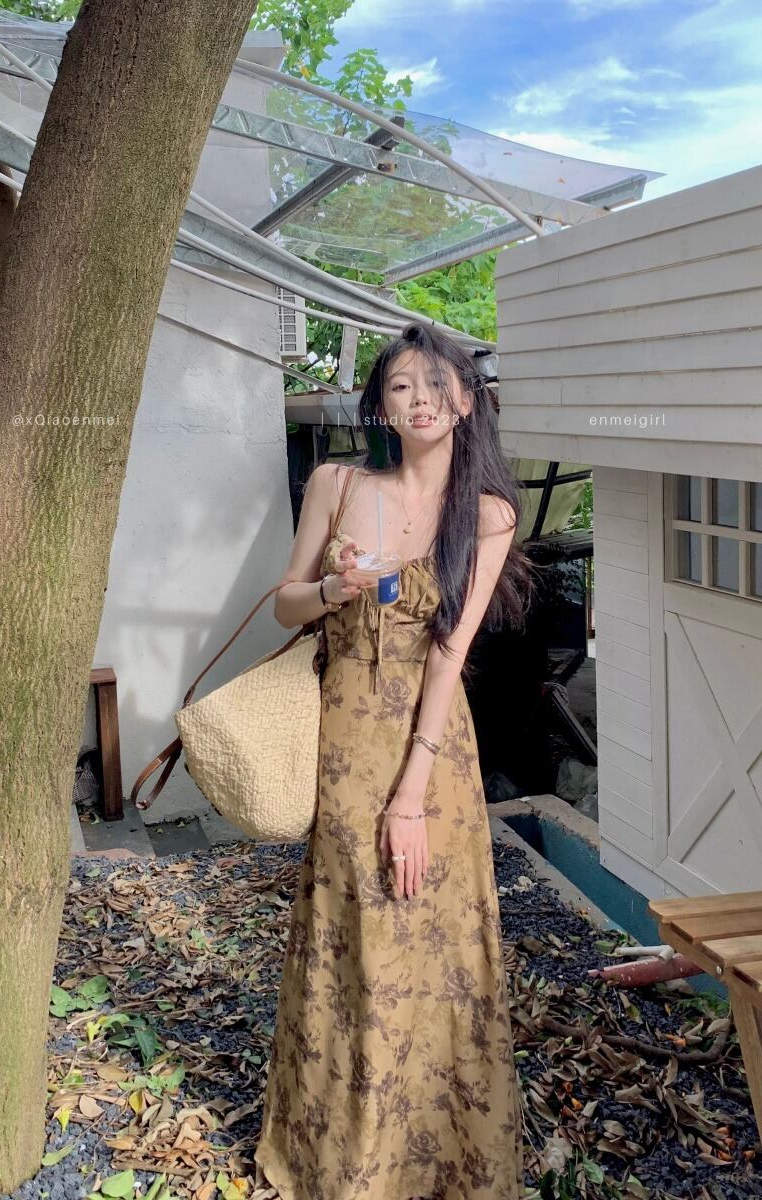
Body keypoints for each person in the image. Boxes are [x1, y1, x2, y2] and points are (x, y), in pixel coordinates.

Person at [254, 322, 535, 1200]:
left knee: (438, 938)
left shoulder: (486, 515)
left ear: (465, 402)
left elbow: (450, 653)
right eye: (401, 386)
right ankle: (346, 1161)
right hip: (346, 741)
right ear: (380, 403)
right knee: (357, 931)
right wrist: (333, 588)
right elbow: (283, 606)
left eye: (436, 385)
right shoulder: (337, 485)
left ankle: (443, 1161)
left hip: (432, 749)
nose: (420, 400)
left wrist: (410, 797)